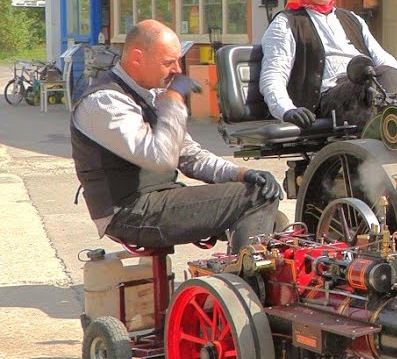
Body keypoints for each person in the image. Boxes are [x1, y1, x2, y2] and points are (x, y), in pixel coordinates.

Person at [71, 20, 284, 252]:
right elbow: (161, 159)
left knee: (272, 216)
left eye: (178, 60)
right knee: (254, 200)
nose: (178, 70)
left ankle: (248, 275)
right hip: (127, 212)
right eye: (168, 63)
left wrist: (244, 174)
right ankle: (246, 283)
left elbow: (190, 155)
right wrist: (173, 102)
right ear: (136, 57)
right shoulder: (104, 102)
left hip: (156, 200)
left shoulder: (151, 94)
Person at [259, 0, 397, 131]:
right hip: (325, 101)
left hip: (366, 89)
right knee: (369, 85)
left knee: (389, 73)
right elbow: (273, 75)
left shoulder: (352, 19)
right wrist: (286, 110)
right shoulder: (286, 23)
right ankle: (392, 134)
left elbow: (385, 60)